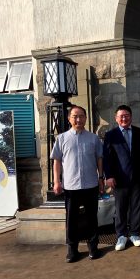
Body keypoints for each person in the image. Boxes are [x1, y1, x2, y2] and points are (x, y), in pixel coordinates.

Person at [51, 105, 104, 263]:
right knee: (72, 219)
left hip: (91, 184)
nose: (78, 119)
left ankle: (93, 247)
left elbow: (99, 159)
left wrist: (101, 178)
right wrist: (56, 181)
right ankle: (72, 249)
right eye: (75, 116)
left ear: (86, 118)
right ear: (69, 118)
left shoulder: (94, 138)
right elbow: (57, 161)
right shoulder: (61, 138)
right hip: (71, 186)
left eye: (81, 116)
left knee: (91, 217)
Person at [103, 105, 140, 251]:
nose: (124, 118)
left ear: (131, 116)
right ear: (116, 118)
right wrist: (108, 176)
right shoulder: (111, 135)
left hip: (137, 177)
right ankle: (121, 235)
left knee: (136, 207)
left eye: (127, 115)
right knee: (120, 208)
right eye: (121, 116)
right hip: (119, 179)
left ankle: (135, 233)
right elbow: (107, 158)